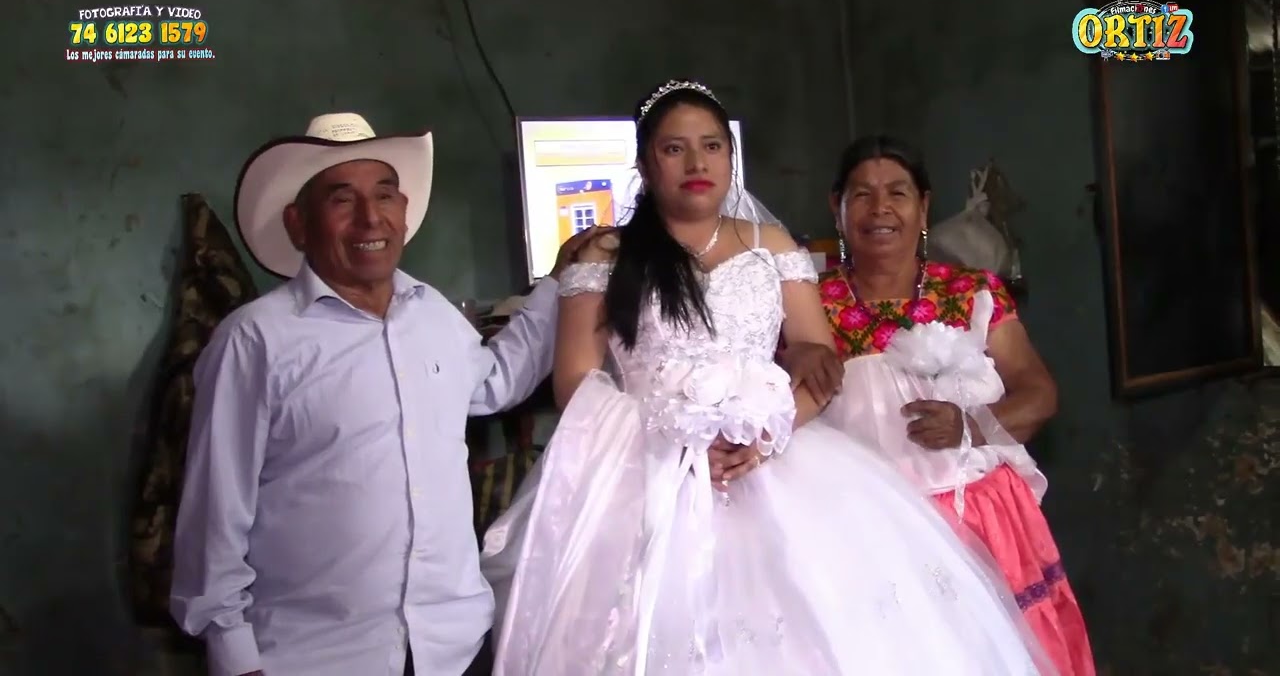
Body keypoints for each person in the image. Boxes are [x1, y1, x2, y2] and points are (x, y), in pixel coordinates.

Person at [479, 80, 1059, 675]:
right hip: (648, 468)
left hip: (777, 462)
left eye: (711, 145)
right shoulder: (605, 254)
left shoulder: (772, 246)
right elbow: (575, 380)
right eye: (674, 148)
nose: (697, 162)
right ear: (645, 163)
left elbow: (819, 362)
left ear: (730, 157)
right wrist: (674, 443)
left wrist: (766, 436)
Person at [169, 113, 599, 676]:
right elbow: (215, 514)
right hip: (317, 657)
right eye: (342, 200)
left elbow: (492, 383)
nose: (371, 217)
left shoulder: (432, 313)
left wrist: (556, 285)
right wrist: (233, 654)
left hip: (454, 646)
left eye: (386, 195)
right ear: (299, 225)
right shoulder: (256, 341)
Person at [806, 134, 1095, 676]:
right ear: (836, 208)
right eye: (861, 195)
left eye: (897, 192)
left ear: (924, 207)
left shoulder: (970, 293)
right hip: (865, 532)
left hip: (978, 518)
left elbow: (1039, 393)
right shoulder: (808, 307)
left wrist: (973, 424)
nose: (880, 209)